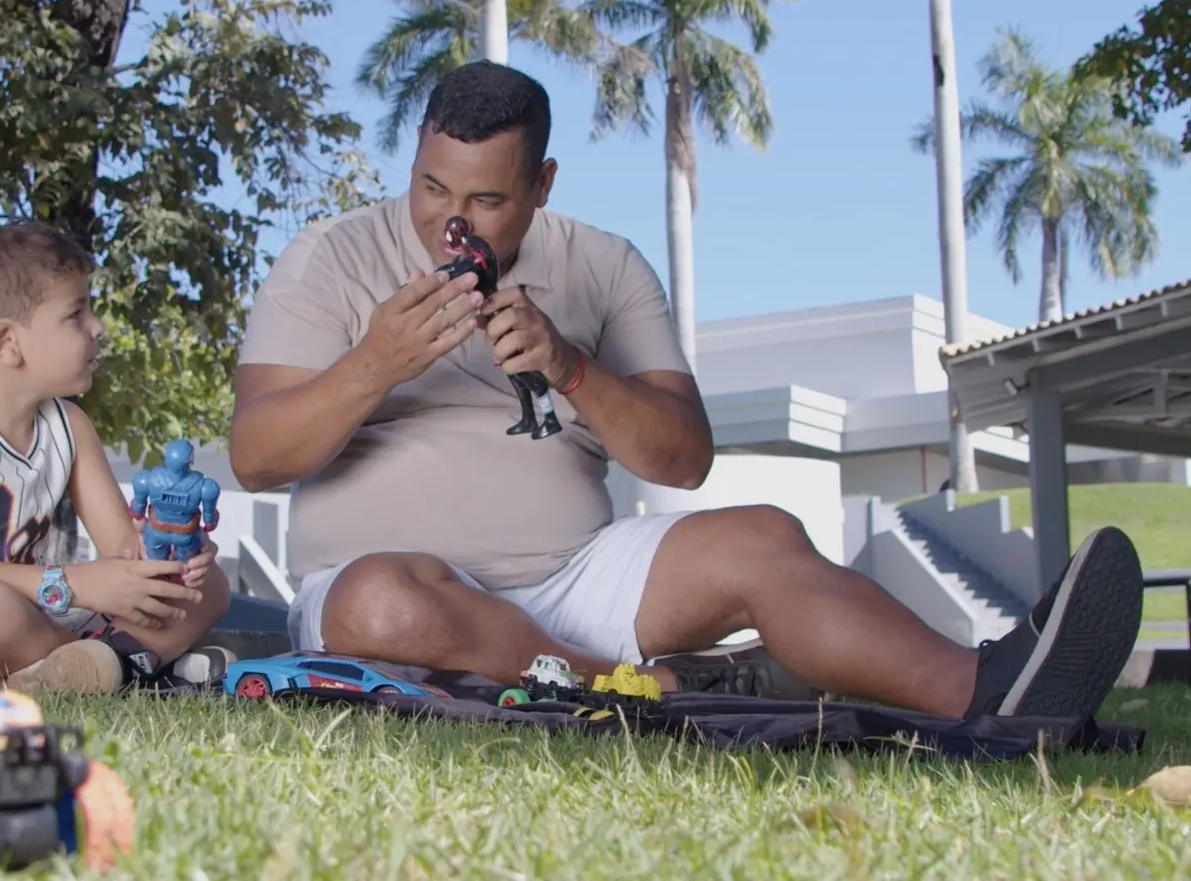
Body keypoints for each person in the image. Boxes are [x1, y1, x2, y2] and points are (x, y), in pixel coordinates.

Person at [226, 60, 1145, 722]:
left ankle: (994, 692)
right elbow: (258, 459)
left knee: (762, 539)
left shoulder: (604, 267)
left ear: (541, 184)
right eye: (431, 186)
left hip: (570, 580)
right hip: (383, 591)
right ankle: (646, 688)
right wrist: (373, 365)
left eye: (488, 201)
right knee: (382, 603)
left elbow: (685, 458)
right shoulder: (330, 257)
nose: (451, 221)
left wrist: (570, 367)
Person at [0, 221, 234, 694]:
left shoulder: (69, 426)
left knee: (211, 584)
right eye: (76, 314)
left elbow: (122, 551)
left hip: (44, 616)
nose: (98, 328)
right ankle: (129, 665)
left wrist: (172, 555)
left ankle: (93, 668)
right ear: (6, 344)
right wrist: (78, 584)